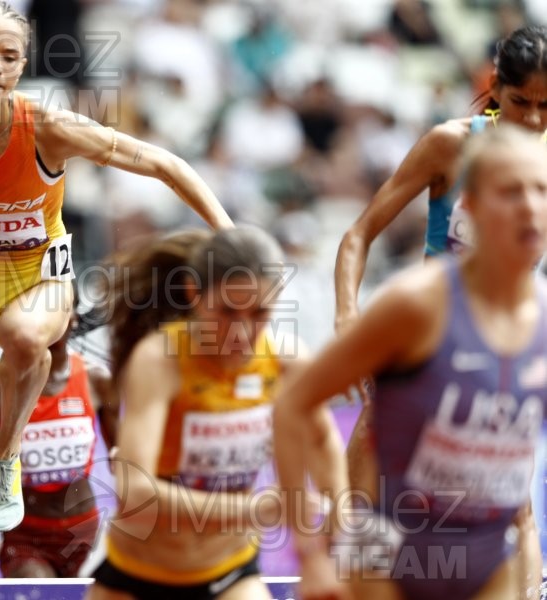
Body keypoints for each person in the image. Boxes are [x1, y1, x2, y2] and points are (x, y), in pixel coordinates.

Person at [0, 0, 233, 584]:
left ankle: (5, 454)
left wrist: (229, 237)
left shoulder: (49, 127)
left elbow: (163, 164)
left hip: (42, 274)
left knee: (23, 335)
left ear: (21, 66)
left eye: (8, 56)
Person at [274, 125, 547, 600]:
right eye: (510, 192)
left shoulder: (539, 315)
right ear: (473, 208)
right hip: (392, 566)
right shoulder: (415, 304)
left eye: (540, 191)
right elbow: (292, 405)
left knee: (523, 513)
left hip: (487, 565)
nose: (529, 206)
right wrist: (312, 555)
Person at [333, 25, 547, 596]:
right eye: (520, 101)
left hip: (501, 344)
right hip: (423, 339)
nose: (532, 120)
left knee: (519, 510)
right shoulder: (451, 144)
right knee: (365, 505)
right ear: (495, 87)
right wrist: (349, 321)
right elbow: (357, 235)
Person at [85, 227, 341, 600]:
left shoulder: (288, 364)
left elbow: (322, 441)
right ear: (195, 294)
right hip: (136, 579)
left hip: (229, 575)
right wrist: (251, 510)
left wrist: (333, 543)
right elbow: (135, 492)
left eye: (259, 313)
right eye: (227, 311)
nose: (241, 332)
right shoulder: (160, 360)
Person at [0, 309, 118, 578]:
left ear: (72, 319)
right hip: (26, 535)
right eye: (37, 313)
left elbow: (121, 458)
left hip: (85, 532)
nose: (45, 323)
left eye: (55, 311)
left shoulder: (97, 379)